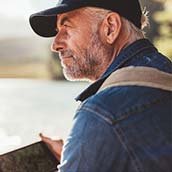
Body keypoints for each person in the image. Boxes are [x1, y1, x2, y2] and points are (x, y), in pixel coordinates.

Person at [29, 0, 172, 171]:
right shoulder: (164, 73)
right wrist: (83, 153)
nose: (55, 44)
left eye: (66, 27)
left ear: (110, 28)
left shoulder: (102, 113)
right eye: (57, 31)